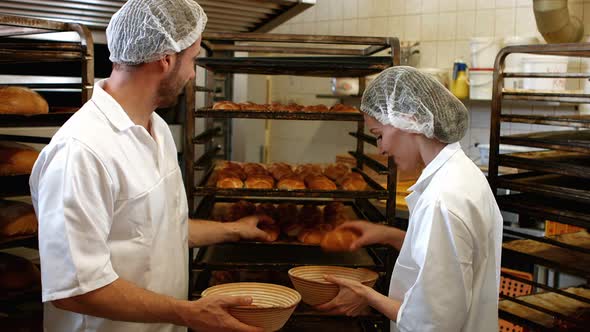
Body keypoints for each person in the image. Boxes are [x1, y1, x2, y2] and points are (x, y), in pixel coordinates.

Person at [29, 1, 268, 331]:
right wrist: (187, 313)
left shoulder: (156, 129)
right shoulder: (82, 152)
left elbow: (157, 230)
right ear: (166, 60)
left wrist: (234, 230)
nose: (193, 73)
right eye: (194, 59)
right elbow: (74, 290)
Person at [315, 66, 503, 332]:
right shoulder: (462, 173)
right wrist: (389, 235)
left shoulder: (442, 198)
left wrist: (365, 295)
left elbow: (431, 323)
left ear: (409, 119)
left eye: (379, 134)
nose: (380, 149)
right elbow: (449, 259)